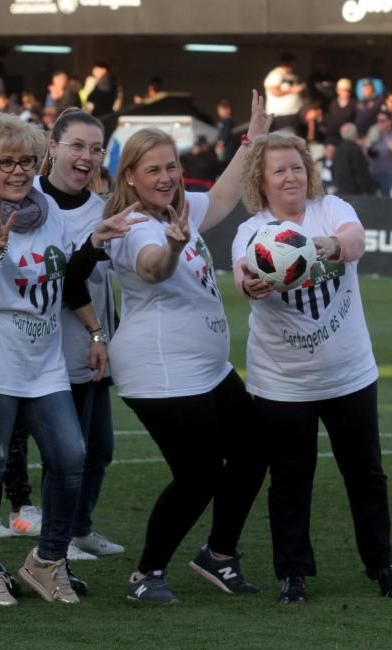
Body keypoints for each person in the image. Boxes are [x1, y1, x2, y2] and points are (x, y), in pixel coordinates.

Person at [0, 113, 139, 607]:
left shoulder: (49, 213)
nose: (17, 171)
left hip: (44, 364)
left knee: (70, 457)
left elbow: (68, 278)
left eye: (24, 161)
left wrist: (96, 244)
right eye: (4, 163)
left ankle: (46, 561)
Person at [107, 90, 273, 604]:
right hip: (160, 370)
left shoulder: (180, 209)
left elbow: (222, 196)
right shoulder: (134, 225)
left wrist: (254, 139)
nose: (165, 177)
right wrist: (175, 246)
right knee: (199, 475)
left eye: (171, 167)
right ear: (130, 176)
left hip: (207, 366)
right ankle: (146, 575)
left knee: (252, 450)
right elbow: (154, 266)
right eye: (152, 169)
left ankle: (218, 556)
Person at [230, 131, 392, 604]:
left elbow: (355, 240)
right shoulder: (253, 232)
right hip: (282, 382)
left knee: (366, 473)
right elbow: (242, 277)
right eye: (279, 170)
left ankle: (382, 564)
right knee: (290, 477)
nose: (290, 176)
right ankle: (293, 574)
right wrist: (254, 285)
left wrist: (328, 246)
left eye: (296, 166)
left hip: (349, 374)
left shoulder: (332, 209)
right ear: (260, 180)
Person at [38, 108, 127, 559]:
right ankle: (53, 535)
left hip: (92, 351)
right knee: (63, 453)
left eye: (96, 148)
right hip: (42, 350)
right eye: (77, 145)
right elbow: (62, 280)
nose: (87, 156)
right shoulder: (30, 202)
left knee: (99, 450)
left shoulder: (104, 209)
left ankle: (77, 528)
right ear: (52, 147)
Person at [365, 111, 392, 197]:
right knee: (371, 201)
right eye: (378, 120)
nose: (379, 123)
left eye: (382, 120)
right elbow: (366, 155)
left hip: (387, 175)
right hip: (372, 173)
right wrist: (367, 147)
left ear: (389, 121)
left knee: (386, 201)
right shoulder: (373, 134)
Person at [263, 53, 304, 132]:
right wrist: (292, 90)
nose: (293, 67)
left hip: (293, 113)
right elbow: (274, 91)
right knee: (284, 138)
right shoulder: (275, 74)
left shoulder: (290, 75)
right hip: (281, 114)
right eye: (291, 65)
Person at [332, 123, 376, 196]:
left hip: (341, 189)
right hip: (355, 192)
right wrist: (369, 190)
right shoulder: (355, 149)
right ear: (355, 134)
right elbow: (361, 172)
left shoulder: (338, 149)